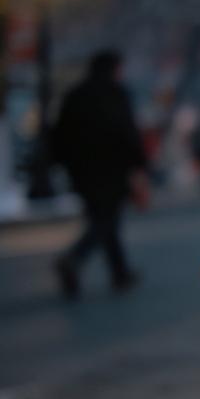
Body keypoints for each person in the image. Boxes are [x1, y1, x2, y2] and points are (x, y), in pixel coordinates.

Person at [52, 49, 148, 297]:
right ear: (113, 69)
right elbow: (127, 132)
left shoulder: (75, 95)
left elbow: (59, 135)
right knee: (106, 221)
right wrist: (141, 164)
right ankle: (74, 259)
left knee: (104, 219)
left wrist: (68, 166)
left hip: (82, 173)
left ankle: (120, 272)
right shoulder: (116, 95)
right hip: (111, 172)